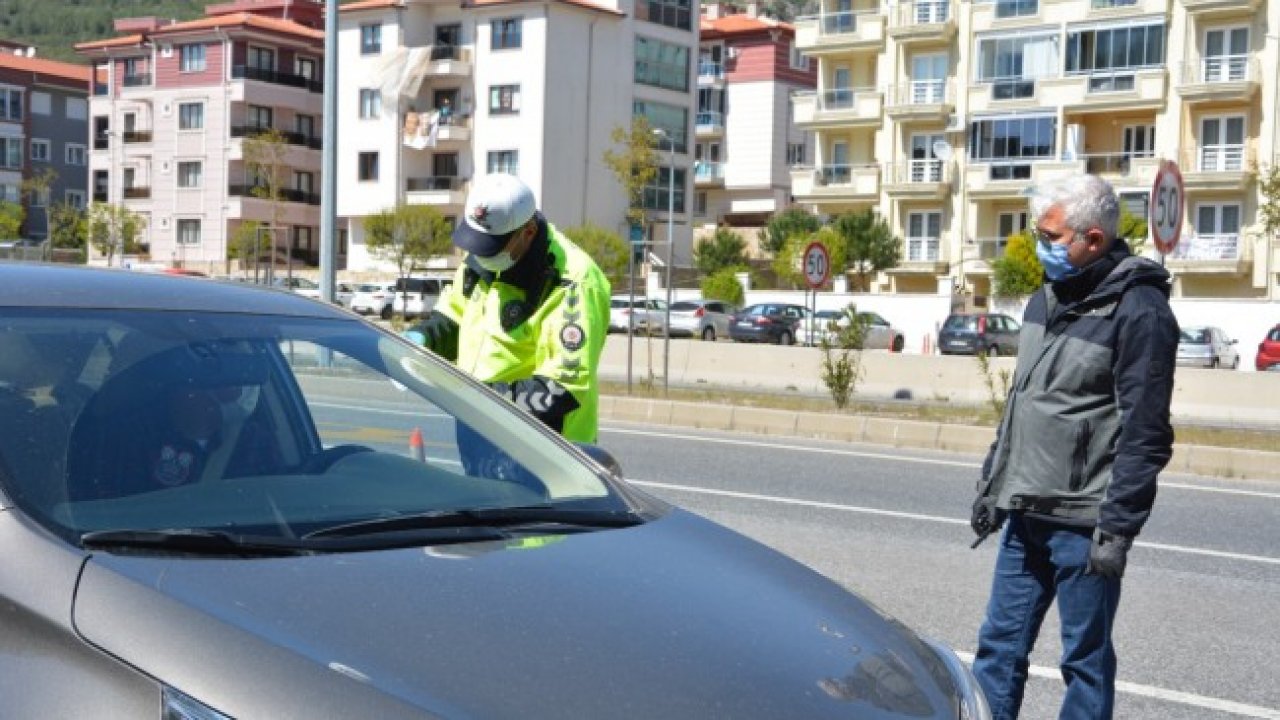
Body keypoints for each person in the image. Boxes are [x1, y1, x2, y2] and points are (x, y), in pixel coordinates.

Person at [968, 174, 1179, 719]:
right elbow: (1025, 400)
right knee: (998, 650)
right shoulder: (1046, 297)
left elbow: (1147, 432)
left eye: (1051, 236)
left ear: (1093, 238)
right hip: (1024, 510)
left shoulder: (1140, 310)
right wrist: (995, 482)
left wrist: (1118, 527)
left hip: (1085, 522)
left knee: (1083, 661)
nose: (1040, 246)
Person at [407, 173, 610, 443]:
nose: (479, 256)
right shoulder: (485, 254)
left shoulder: (573, 282)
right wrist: (424, 338)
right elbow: (455, 316)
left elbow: (562, 389)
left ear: (527, 232)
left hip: (548, 451)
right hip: (481, 431)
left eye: (489, 249)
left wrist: (479, 398)